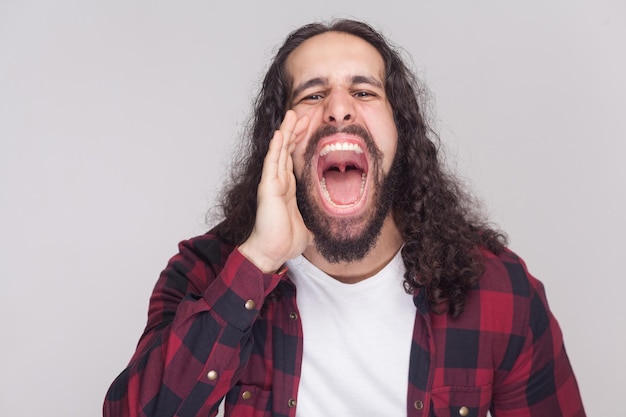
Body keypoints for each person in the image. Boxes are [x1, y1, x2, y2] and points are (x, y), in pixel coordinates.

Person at [103, 19, 585, 417]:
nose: (338, 109)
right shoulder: (207, 272)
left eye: (365, 92)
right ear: (279, 141)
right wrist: (258, 260)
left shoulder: (499, 288)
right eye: (312, 95)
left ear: (401, 135)